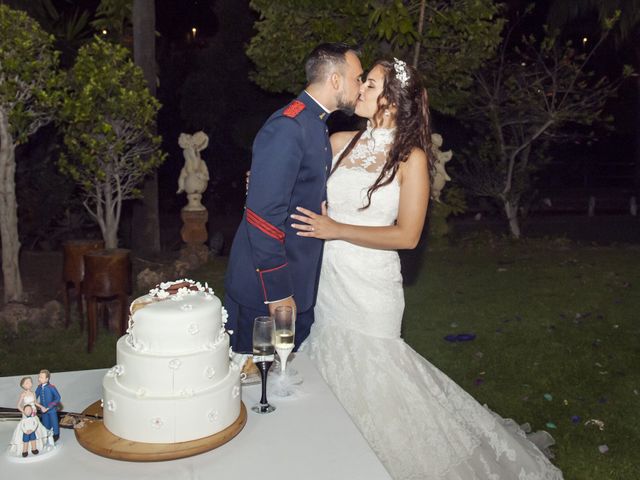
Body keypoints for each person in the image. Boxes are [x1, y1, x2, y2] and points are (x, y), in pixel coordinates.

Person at [292, 58, 563, 479]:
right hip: (331, 284)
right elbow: (295, 181)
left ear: (393, 101)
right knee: (334, 370)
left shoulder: (410, 157)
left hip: (372, 289)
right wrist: (264, 181)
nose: (360, 88)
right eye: (363, 82)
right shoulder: (338, 141)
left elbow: (407, 236)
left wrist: (336, 229)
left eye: (371, 84)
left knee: (381, 384)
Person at [224, 42, 363, 353]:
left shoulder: (314, 125)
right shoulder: (289, 126)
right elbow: (262, 216)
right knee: (255, 386)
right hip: (265, 294)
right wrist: (277, 292)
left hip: (296, 282)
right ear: (335, 80)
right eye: (357, 78)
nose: (361, 86)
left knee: (288, 388)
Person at [9, 378, 52, 457]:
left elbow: (35, 402)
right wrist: (24, 412)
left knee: (35, 426)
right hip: (26, 412)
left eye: (30, 382)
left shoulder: (33, 393)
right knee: (26, 427)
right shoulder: (23, 394)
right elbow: (18, 406)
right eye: (27, 383)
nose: (29, 384)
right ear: (23, 385)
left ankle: (35, 447)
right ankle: (25, 449)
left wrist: (41, 407)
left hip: (34, 412)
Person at [35, 369, 61, 442]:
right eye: (39, 377)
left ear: (47, 379)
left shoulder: (51, 387)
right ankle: (46, 434)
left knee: (54, 422)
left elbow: (58, 397)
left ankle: (56, 434)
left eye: (41, 377)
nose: (39, 379)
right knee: (45, 423)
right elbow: (35, 396)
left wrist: (49, 407)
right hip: (43, 410)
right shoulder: (39, 387)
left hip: (51, 410)